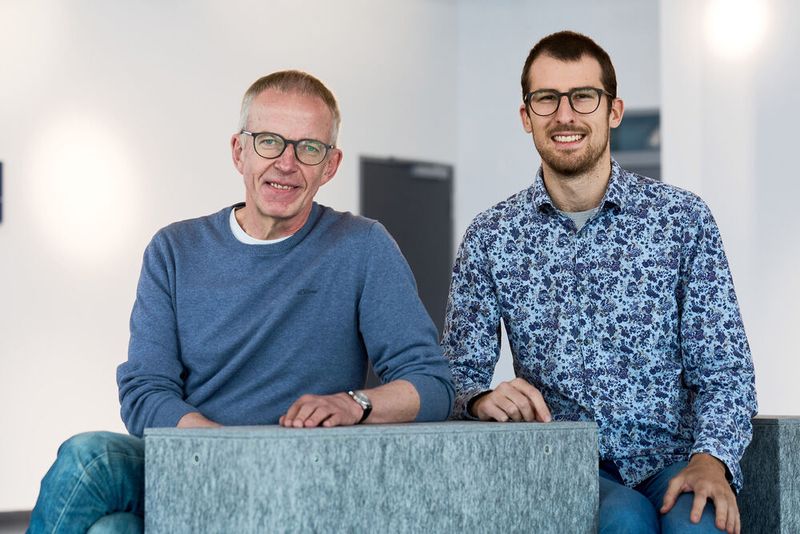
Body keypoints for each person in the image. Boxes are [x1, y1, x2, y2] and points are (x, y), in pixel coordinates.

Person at [28, 70, 454, 533]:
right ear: (239, 152)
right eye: (269, 141)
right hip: (191, 457)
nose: (287, 163)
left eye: (309, 148)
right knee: (89, 458)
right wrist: (221, 451)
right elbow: (145, 391)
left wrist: (355, 404)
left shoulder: (363, 247)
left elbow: (431, 385)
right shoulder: (174, 249)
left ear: (330, 165)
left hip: (294, 473)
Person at [442, 31, 756, 534]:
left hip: (671, 457)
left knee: (699, 523)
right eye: (546, 98)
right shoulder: (492, 236)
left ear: (613, 110)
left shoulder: (682, 219)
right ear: (527, 117)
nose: (564, 115)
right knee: (624, 521)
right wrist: (480, 398)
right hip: (565, 462)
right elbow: (456, 373)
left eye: (583, 96)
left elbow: (725, 370)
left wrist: (712, 458)